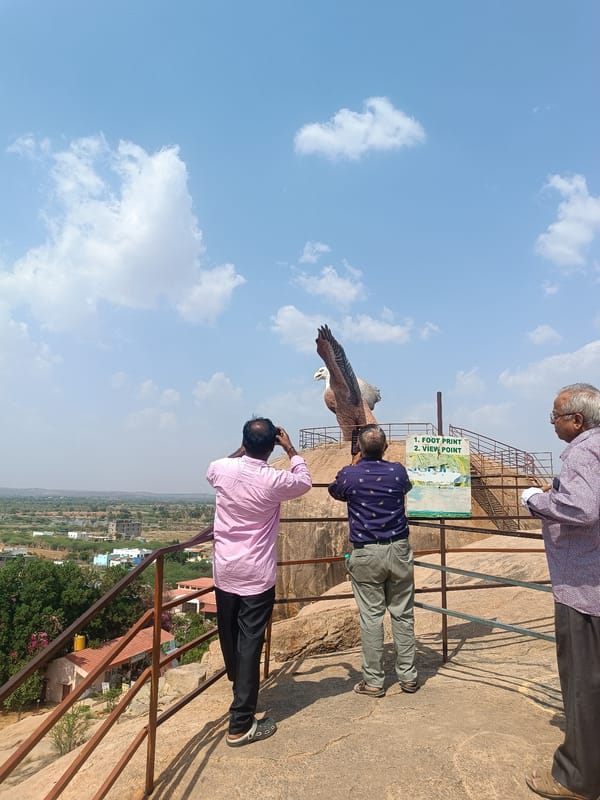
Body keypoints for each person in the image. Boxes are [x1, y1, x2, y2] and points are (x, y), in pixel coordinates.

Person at [206, 417, 311, 747]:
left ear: (244, 444)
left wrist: (244, 449)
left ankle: (241, 689)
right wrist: (290, 449)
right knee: (250, 642)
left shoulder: (221, 468)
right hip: (256, 574)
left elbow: (217, 469)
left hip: (225, 569)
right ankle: (240, 724)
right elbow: (305, 482)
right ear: (272, 446)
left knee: (230, 635)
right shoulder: (275, 479)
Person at [521, 383, 600, 800]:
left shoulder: (584, 451)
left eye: (555, 416)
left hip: (583, 587)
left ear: (577, 420)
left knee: (582, 683)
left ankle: (577, 778)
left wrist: (537, 499)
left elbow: (584, 509)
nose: (552, 423)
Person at [328, 424, 418, 697]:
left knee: (371, 617)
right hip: (399, 550)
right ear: (386, 447)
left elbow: (335, 490)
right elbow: (406, 487)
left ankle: (375, 681)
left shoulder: (349, 475)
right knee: (403, 615)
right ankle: (409, 677)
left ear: (360, 449)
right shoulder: (398, 472)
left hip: (366, 553)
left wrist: (354, 463)